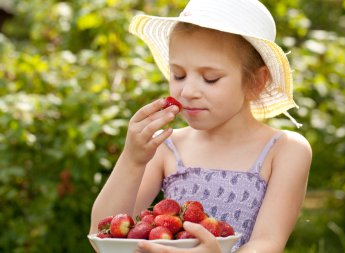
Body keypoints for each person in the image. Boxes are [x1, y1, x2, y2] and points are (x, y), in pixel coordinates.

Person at [89, 0, 312, 252]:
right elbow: (103, 237)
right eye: (178, 75)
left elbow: (268, 242)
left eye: (210, 78)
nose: (188, 91)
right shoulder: (167, 146)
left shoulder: (284, 150)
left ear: (256, 82)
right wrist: (132, 159)